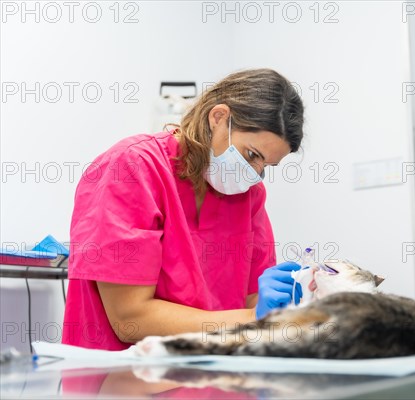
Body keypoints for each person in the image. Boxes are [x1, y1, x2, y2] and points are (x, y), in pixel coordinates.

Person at [62, 69, 305, 350]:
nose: (254, 174)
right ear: (219, 118)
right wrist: (251, 320)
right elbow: (130, 319)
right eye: (251, 155)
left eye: (266, 167)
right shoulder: (131, 168)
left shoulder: (248, 196)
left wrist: (283, 306)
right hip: (120, 380)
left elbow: (253, 301)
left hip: (210, 379)